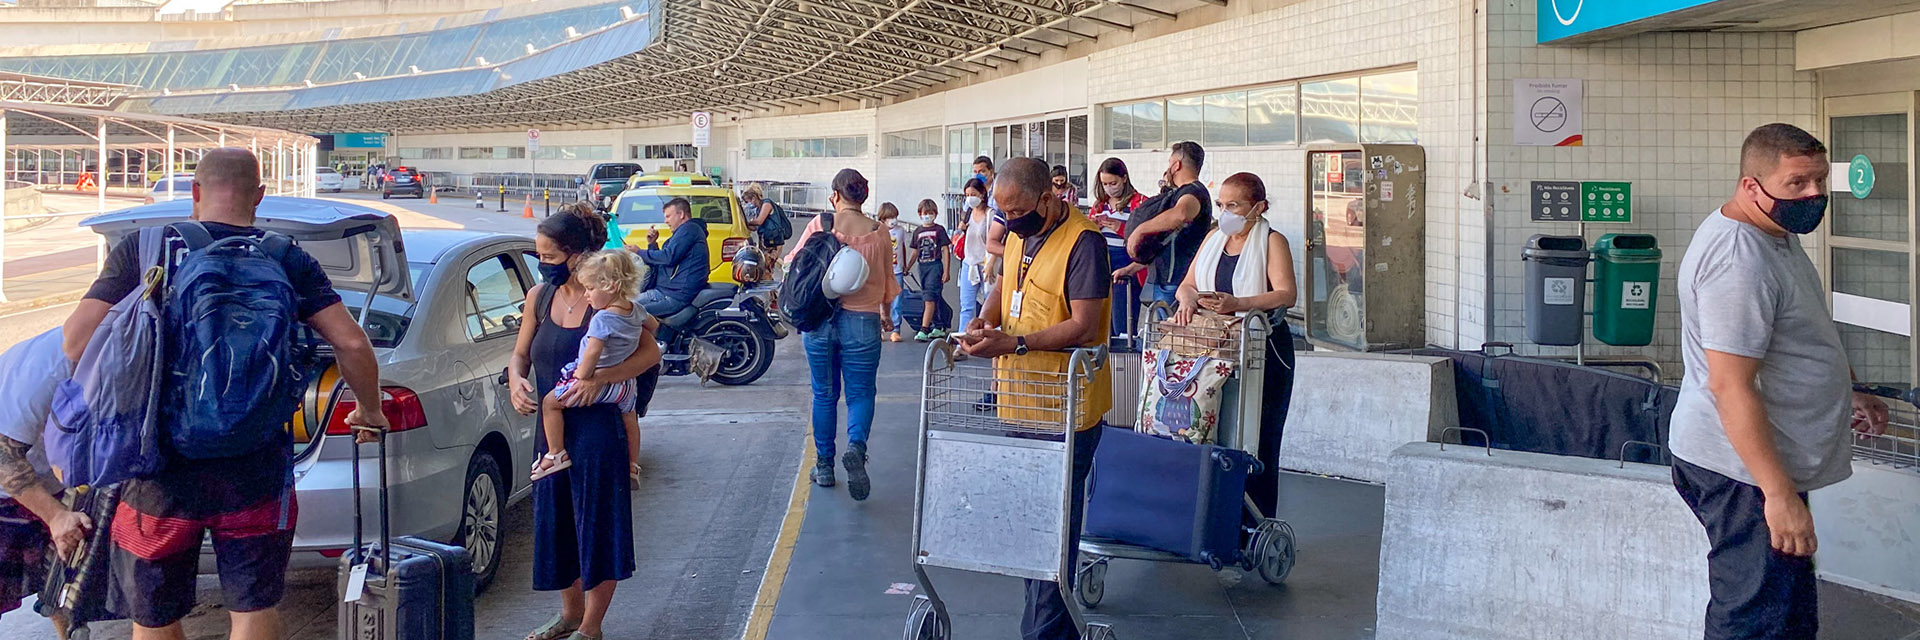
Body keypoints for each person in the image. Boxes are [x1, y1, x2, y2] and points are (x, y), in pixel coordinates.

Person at [61, 147, 388, 640]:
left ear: (194, 192)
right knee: (253, 608)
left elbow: (75, 340)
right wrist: (369, 410)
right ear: (259, 196)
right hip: (254, 466)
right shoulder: (286, 257)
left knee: (154, 616)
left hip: (159, 468)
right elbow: (350, 342)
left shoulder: (145, 247)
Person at [1670, 123, 1890, 640]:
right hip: (1742, 471)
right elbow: (1731, 385)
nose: (1813, 195)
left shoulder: (1773, 234)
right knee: (1754, 617)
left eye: (1819, 181)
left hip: (1766, 465)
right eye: (1797, 184)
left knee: (1788, 613)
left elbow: (1795, 335)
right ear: (1752, 186)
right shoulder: (1738, 260)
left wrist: (1847, 387)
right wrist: (1777, 495)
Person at [956, 158, 1111, 640]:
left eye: (1018, 209)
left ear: (1049, 198)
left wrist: (1017, 343)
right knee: (1028, 519)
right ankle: (1047, 623)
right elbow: (1007, 285)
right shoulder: (1020, 233)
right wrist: (985, 319)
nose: (1009, 218)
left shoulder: (1084, 243)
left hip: (1068, 406)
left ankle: (1043, 632)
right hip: (1021, 400)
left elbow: (1084, 325)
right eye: (1002, 210)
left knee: (1054, 524)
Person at [510, 205, 663, 640]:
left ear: (577, 255)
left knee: (598, 524)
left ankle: (591, 626)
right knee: (556, 522)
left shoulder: (613, 302)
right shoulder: (539, 298)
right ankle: (569, 615)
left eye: (551, 258)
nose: (544, 266)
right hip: (553, 429)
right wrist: (515, 380)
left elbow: (653, 351)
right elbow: (521, 353)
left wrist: (600, 380)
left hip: (599, 429)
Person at [1172, 172, 1298, 524]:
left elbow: (1286, 293)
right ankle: (1214, 519)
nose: (1226, 212)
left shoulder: (1272, 242)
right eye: (1222, 205)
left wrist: (1238, 303)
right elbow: (1188, 284)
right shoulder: (1214, 238)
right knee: (1214, 431)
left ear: (1258, 208)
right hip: (1214, 350)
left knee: (1259, 437)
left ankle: (1254, 525)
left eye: (1234, 205)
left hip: (1262, 348)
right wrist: (1187, 301)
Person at [784, 169, 898, 501]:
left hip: (820, 322)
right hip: (863, 321)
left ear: (835, 195)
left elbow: (794, 264)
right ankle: (857, 448)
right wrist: (887, 318)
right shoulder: (879, 233)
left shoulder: (821, 224)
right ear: (863, 196)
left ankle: (824, 467)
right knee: (861, 394)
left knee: (824, 394)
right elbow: (888, 285)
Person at [531, 250, 649, 492]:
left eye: (591, 289)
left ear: (612, 286)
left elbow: (593, 350)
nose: (586, 294)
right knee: (630, 419)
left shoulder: (602, 319)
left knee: (550, 403)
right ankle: (632, 465)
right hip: (626, 386)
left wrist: (582, 376)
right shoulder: (636, 310)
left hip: (600, 382)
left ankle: (555, 454)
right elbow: (653, 326)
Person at [0, 328, 91, 636]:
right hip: (6, 480)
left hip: (50, 475)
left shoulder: (118, 353)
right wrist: (55, 515)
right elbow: (4, 460)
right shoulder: (44, 369)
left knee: (61, 582)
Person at [1121, 141, 1214, 306]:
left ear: (1176, 165)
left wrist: (1140, 230)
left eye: (1169, 163)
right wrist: (1132, 268)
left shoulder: (1193, 192)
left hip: (1176, 280)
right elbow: (1165, 241)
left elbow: (1181, 214)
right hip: (1164, 278)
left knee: (1170, 329)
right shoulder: (1180, 193)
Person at [1092, 158, 1148, 347]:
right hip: (1102, 261)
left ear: (1124, 178)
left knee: (1122, 319)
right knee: (1102, 319)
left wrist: (1120, 227)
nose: (1109, 188)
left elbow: (1148, 239)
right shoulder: (1100, 205)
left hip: (1127, 262)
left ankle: (1124, 357)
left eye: (1113, 183)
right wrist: (1093, 226)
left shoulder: (1140, 203)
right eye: (1105, 184)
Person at [626, 196, 708, 318]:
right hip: (667, 291)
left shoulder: (689, 229)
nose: (666, 221)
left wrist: (639, 252)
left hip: (674, 294)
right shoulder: (684, 232)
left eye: (668, 216)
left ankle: (649, 336)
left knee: (625, 309)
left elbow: (669, 257)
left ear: (681, 214)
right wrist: (652, 243)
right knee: (626, 304)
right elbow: (664, 261)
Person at [909, 199, 953, 341]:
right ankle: (939, 324)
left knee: (929, 297)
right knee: (933, 296)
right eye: (925, 213)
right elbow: (915, 251)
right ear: (919, 214)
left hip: (935, 266)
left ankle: (924, 328)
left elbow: (945, 250)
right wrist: (907, 267)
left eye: (931, 213)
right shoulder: (918, 231)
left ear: (935, 214)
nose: (927, 216)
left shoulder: (939, 230)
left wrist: (946, 270)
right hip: (922, 267)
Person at [957, 177, 993, 332]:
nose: (970, 198)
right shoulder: (968, 214)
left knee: (989, 305)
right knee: (967, 306)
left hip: (985, 263)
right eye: (967, 195)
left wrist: (991, 263)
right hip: (969, 263)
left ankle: (989, 337)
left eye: (973, 194)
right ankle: (962, 341)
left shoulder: (991, 214)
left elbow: (995, 240)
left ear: (982, 194)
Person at [881, 202, 912, 342]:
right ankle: (880, 328)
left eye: (895, 216)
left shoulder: (900, 231)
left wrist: (905, 265)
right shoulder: (878, 231)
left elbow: (902, 247)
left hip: (897, 270)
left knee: (897, 300)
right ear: (883, 218)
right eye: (890, 217)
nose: (893, 220)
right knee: (880, 299)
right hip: (881, 271)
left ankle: (895, 329)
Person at [741, 182, 787, 257]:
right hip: (765, 241)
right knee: (763, 265)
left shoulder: (767, 204)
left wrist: (745, 222)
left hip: (773, 242)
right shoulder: (758, 209)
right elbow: (755, 227)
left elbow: (759, 221)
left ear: (754, 197)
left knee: (768, 265)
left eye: (747, 201)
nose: (748, 204)